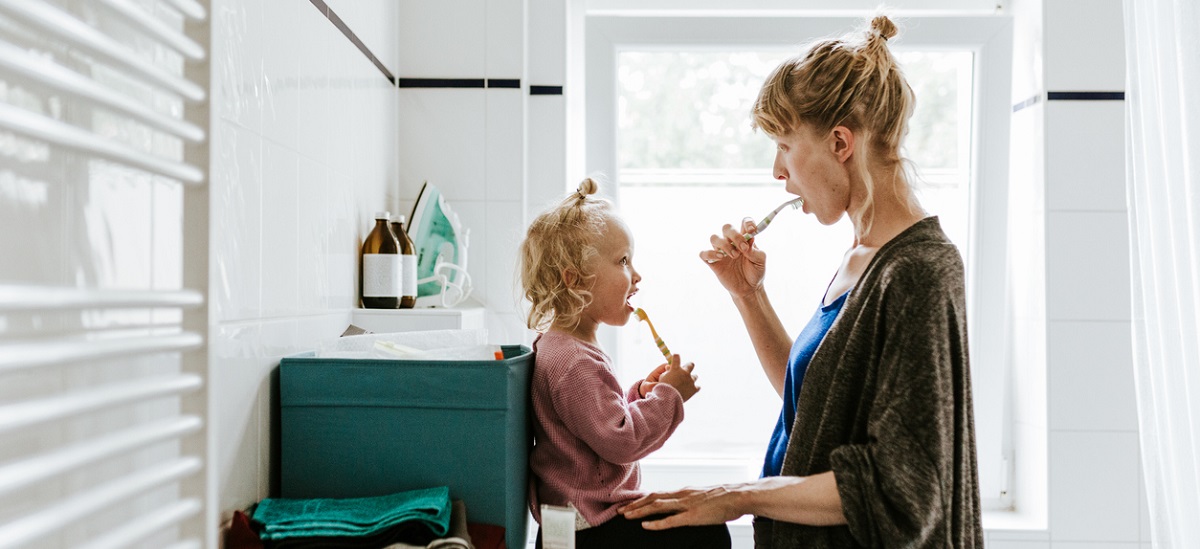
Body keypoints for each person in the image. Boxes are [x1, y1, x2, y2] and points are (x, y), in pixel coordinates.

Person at [619, 15, 984, 548]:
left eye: (785, 146)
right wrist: (749, 296)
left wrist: (739, 495)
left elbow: (904, 487)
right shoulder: (862, 257)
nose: (777, 171)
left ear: (840, 142)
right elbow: (816, 404)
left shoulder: (920, 272)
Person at [518, 178, 733, 549]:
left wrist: (639, 394)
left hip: (572, 524)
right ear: (575, 281)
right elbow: (620, 442)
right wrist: (669, 397)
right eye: (622, 261)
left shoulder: (564, 348)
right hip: (589, 529)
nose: (637, 274)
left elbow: (593, 426)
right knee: (709, 532)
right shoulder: (573, 360)